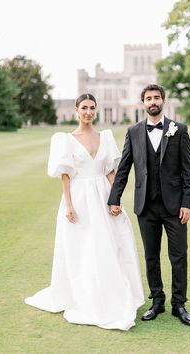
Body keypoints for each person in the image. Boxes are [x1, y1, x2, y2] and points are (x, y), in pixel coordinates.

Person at [25, 93, 144, 331]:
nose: (88, 111)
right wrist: (68, 205)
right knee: (83, 248)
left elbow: (111, 171)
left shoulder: (106, 137)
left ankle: (111, 293)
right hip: (79, 198)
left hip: (102, 196)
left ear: (96, 110)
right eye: (84, 108)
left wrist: (116, 198)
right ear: (77, 110)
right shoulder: (65, 140)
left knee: (110, 244)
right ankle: (85, 295)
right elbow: (66, 175)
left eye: (92, 107)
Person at [108, 84, 190, 326]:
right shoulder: (133, 131)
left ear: (163, 101)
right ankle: (157, 300)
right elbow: (124, 168)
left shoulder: (179, 130)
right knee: (151, 256)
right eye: (148, 98)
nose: (153, 101)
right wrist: (114, 198)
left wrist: (187, 203)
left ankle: (179, 304)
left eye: (156, 97)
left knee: (179, 255)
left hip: (175, 206)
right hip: (145, 206)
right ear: (143, 103)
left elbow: (187, 171)